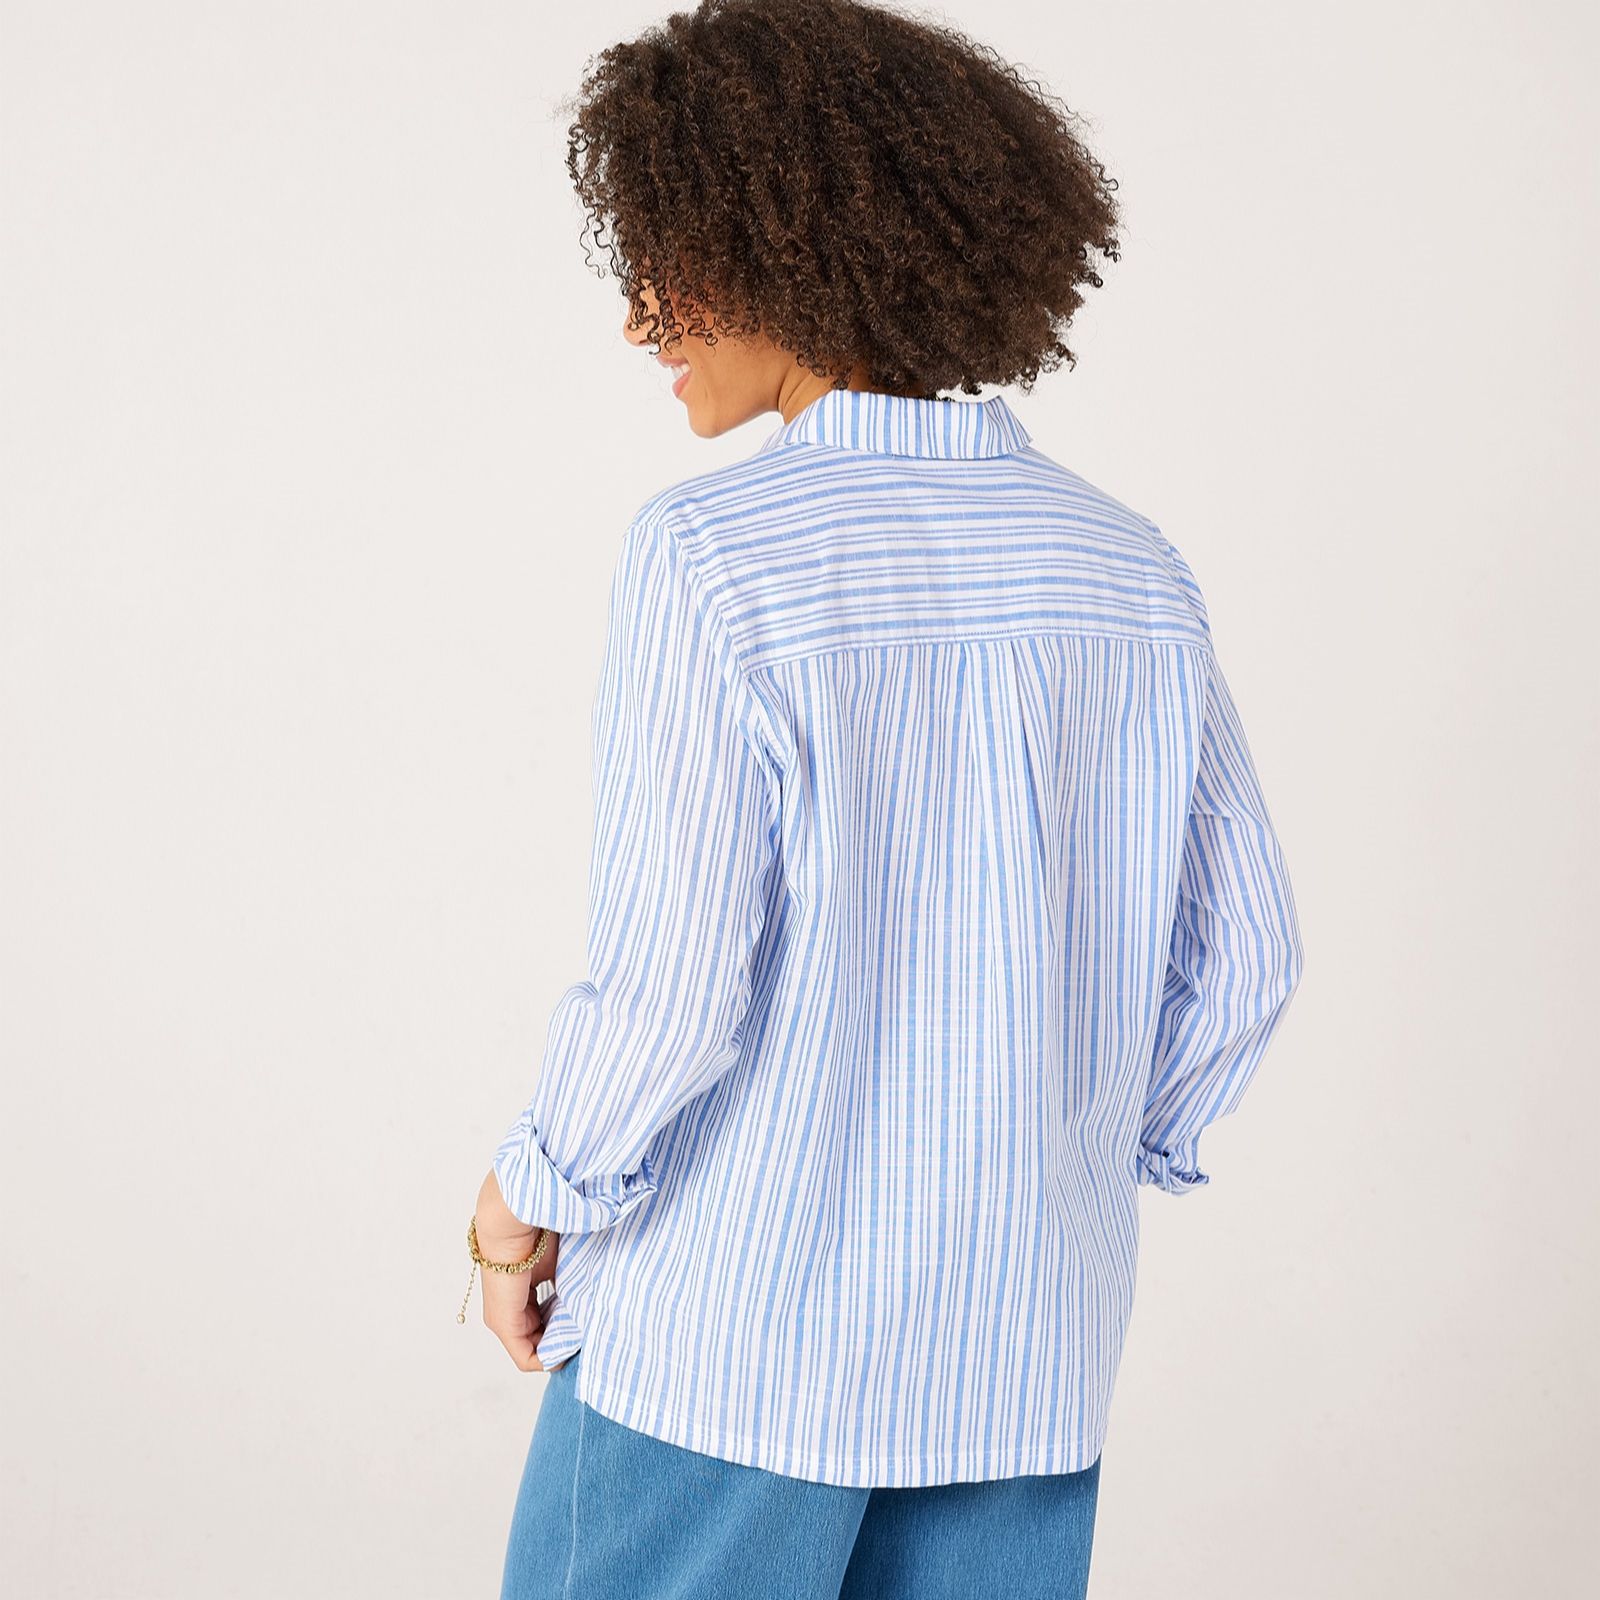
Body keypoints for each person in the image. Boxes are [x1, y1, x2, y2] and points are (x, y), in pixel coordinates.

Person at [467, 2, 1305, 1595]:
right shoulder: (1131, 571)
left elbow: (672, 990)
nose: (643, 321)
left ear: (788, 248)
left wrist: (528, 1200)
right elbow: (1249, 956)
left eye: (671, 260)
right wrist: (1053, 1157)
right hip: (1023, 1362)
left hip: (731, 1356)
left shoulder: (715, 558)